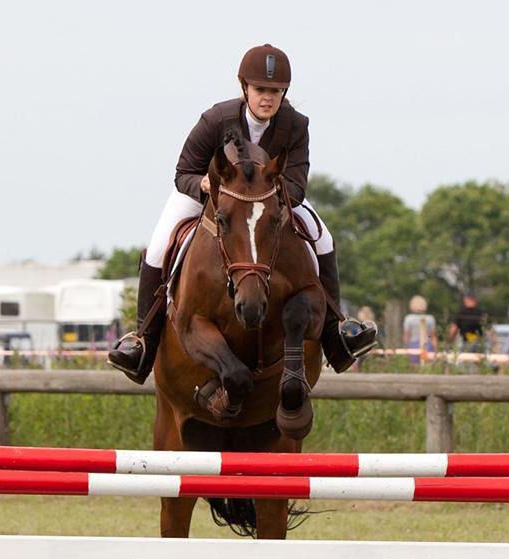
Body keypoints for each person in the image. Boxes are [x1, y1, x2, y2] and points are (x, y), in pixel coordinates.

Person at [108, 44, 377, 384]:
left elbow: (296, 183)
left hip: (269, 203)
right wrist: (205, 185)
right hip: (212, 198)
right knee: (160, 245)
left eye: (275, 91)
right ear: (244, 88)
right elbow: (183, 174)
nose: (268, 98)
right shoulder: (215, 119)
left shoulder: (295, 125)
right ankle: (142, 341)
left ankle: (338, 331)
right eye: (261, 90)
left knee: (323, 237)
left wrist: (265, 199)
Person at [401, 295, 436, 365]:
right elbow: (433, 337)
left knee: (414, 367)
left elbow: (406, 336)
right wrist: (435, 350)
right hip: (427, 346)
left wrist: (405, 348)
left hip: (413, 346)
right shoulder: (430, 318)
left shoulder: (409, 318)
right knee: (428, 366)